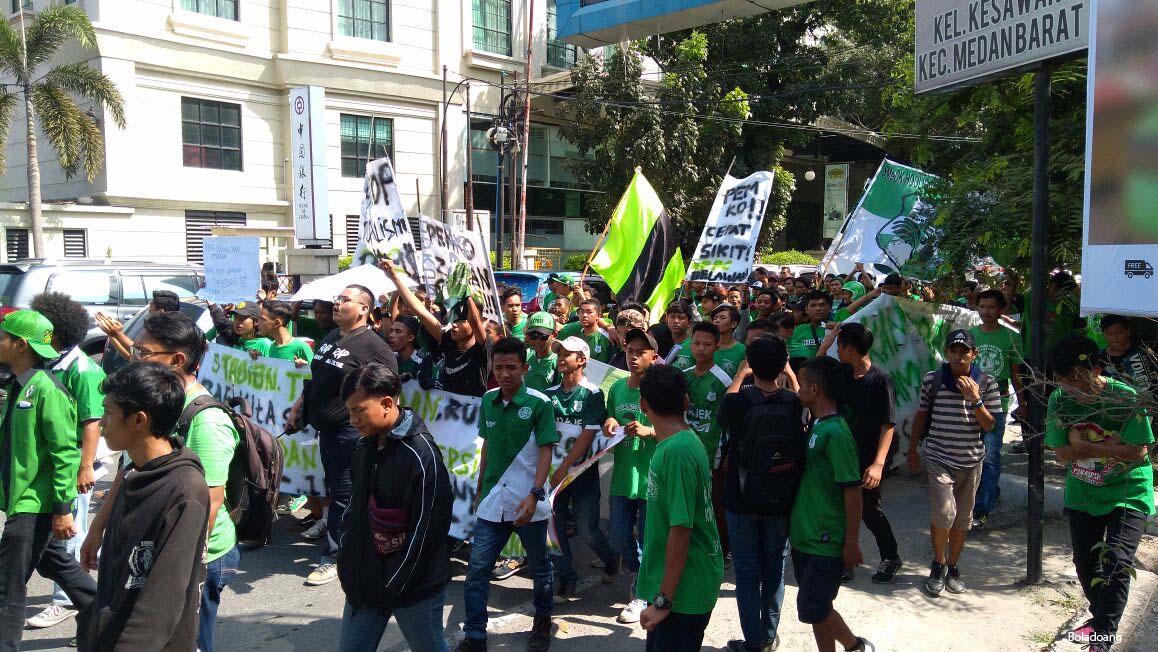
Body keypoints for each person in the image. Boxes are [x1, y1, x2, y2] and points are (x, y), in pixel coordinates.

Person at [76, 362, 209, 652]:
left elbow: (161, 602)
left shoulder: (184, 491)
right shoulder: (135, 469)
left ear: (139, 420)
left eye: (108, 414)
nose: (100, 424)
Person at [130, 312, 241, 651]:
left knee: (190, 640)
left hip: (200, 552)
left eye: (144, 353)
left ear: (177, 360)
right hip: (167, 541)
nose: (135, 362)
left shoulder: (207, 422)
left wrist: (185, 563)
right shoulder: (159, 402)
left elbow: (209, 500)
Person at [1044, 335, 1154, 652]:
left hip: (1127, 488)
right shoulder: (1059, 400)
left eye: (1075, 378)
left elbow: (1136, 452)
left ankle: (1104, 635)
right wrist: (1090, 449)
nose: (1068, 386)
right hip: (1083, 491)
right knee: (1085, 563)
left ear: (1094, 369)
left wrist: (1084, 446)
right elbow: (1061, 453)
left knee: (1118, 563)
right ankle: (1100, 618)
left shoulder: (1125, 397)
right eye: (1061, 380)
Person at [337, 364, 453, 652]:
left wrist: (395, 582)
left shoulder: (422, 455)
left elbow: (429, 531)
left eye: (359, 411)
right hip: (364, 583)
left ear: (387, 404)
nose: (352, 420)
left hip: (413, 587)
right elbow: (354, 510)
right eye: (349, 412)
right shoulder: (364, 447)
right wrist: (348, 563)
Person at [0, 310, 97, 650]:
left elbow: (65, 453)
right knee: (54, 561)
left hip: (36, 503)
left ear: (19, 344)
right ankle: (100, 611)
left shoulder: (46, 390)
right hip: (23, 497)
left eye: (2, 336)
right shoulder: (18, 384)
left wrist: (62, 507)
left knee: (8, 587)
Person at [289, 284, 397, 587]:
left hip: (351, 433)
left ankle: (334, 556)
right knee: (338, 490)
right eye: (336, 298)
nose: (336, 303)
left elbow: (389, 390)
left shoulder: (375, 347)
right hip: (326, 431)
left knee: (344, 494)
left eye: (344, 300)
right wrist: (299, 407)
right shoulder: (333, 336)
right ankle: (356, 543)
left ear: (364, 309)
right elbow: (316, 378)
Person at [458, 338, 557, 652]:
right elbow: (486, 445)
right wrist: (478, 487)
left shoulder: (540, 404)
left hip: (529, 503)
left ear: (525, 368)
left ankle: (542, 618)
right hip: (492, 500)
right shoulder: (487, 400)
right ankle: (476, 636)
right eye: (498, 367)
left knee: (540, 568)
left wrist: (535, 493)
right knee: (477, 571)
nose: (504, 373)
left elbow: (546, 451)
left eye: (511, 367)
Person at [718, 336, 800, 652]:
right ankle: (768, 636)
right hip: (781, 499)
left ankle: (753, 641)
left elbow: (722, 414)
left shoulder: (738, 401)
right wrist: (789, 372)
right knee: (775, 570)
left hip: (741, 499)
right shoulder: (793, 402)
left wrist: (741, 375)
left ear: (750, 364)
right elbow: (796, 393)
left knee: (748, 574)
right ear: (782, 364)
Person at [636, 364, 724, 652]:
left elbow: (681, 529)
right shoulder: (681, 442)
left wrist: (664, 600)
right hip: (681, 583)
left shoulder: (676, 453)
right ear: (686, 401)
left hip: (684, 591)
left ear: (643, 404)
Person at [907, 329, 1001, 597]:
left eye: (964, 352)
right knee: (944, 513)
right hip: (939, 457)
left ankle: (953, 565)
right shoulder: (932, 380)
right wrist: (912, 448)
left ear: (974, 354)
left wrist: (975, 399)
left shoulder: (987, 382)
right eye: (953, 351)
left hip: (971, 460)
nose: (958, 357)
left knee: (962, 519)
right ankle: (938, 563)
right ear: (946, 352)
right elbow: (922, 415)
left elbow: (990, 425)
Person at [792, 356, 871, 652]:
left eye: (801, 385)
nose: (797, 390)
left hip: (825, 539)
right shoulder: (818, 425)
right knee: (820, 607)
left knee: (811, 607)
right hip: (806, 536)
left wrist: (851, 541)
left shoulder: (836, 433)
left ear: (814, 389)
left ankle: (856, 647)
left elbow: (852, 490)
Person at [819, 323, 903, 584]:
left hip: (867, 458)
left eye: (839, 345)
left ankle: (890, 557)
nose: (836, 350)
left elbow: (887, 425)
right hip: (841, 456)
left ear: (850, 349)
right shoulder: (841, 372)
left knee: (869, 510)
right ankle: (845, 560)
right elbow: (815, 367)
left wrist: (878, 464)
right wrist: (828, 340)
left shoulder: (880, 380)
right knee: (839, 508)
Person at [545, 336, 619, 602]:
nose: (562, 358)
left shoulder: (593, 394)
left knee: (587, 529)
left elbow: (587, 436)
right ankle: (567, 578)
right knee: (553, 527)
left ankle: (611, 559)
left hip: (581, 473)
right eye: (560, 353)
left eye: (568, 354)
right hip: (554, 474)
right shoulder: (550, 395)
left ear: (582, 360)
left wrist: (565, 466)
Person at [604, 328, 661, 624]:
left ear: (654, 356)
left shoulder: (659, 389)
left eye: (641, 352)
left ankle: (642, 593)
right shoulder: (616, 388)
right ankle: (643, 575)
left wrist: (649, 431)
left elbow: (675, 430)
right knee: (618, 536)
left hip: (652, 479)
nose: (634, 357)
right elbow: (609, 417)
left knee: (650, 538)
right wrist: (610, 421)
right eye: (630, 351)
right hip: (624, 476)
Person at [383, 260, 488, 396]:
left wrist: (464, 291)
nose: (454, 324)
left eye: (460, 320)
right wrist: (394, 277)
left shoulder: (482, 350)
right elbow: (420, 312)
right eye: (453, 320)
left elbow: (474, 320)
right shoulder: (448, 343)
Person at [970, 289, 1027, 528]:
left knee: (991, 454)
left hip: (998, 404)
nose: (986, 311)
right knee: (972, 454)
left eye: (991, 307)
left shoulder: (1012, 338)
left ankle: (982, 508)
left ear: (1001, 310)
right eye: (982, 306)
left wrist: (1023, 403)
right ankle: (984, 492)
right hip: (971, 403)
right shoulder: (970, 336)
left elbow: (1016, 373)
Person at [1096, 314, 1158, 400]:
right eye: (1109, 333)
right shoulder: (1100, 359)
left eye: (1118, 333)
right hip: (1120, 407)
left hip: (1152, 404)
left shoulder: (1143, 351)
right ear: (1104, 334)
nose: (1114, 337)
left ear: (1128, 331)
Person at [558, 298, 614, 364]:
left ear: (598, 315)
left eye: (589, 312)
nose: (584, 315)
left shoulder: (607, 337)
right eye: (582, 312)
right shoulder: (574, 335)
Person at [260, 300, 314, 365]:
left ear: (277, 323)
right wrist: (259, 359)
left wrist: (305, 366)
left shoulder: (301, 347)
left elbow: (315, 371)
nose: (258, 323)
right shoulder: (273, 346)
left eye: (262, 319)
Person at [791, 290, 832, 359]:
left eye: (822, 305)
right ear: (806, 309)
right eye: (813, 305)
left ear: (829, 308)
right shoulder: (799, 330)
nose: (817, 309)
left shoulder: (836, 329)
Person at [523, 312, 558, 392]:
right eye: (533, 336)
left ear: (554, 335)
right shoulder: (526, 356)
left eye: (543, 336)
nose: (538, 341)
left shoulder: (559, 361)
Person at [711, 305, 747, 378]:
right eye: (715, 318)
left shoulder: (743, 351)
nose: (717, 321)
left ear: (733, 324)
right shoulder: (706, 347)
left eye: (722, 318)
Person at [387, 315, 425, 380]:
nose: (391, 335)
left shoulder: (421, 363)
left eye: (398, 331)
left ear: (410, 337)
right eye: (391, 331)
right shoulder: (389, 358)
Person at [664, 300, 696, 369]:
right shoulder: (660, 340)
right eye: (672, 317)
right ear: (666, 319)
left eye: (681, 318)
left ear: (689, 323)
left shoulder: (694, 345)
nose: (676, 321)